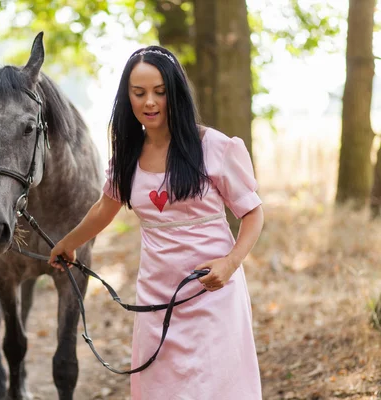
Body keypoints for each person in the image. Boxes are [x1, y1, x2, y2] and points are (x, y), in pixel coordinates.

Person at [48, 45, 263, 399]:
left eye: (160, 92)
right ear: (127, 98)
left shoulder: (215, 148)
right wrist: (68, 243)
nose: (150, 102)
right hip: (156, 296)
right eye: (139, 93)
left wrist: (231, 263)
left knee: (216, 387)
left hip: (214, 293)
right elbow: (105, 207)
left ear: (175, 94)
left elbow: (253, 213)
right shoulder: (127, 157)